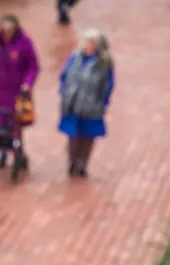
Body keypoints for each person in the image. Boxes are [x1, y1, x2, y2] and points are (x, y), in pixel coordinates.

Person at [0, 14, 40, 169]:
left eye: (10, 30)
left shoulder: (24, 42)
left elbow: (34, 66)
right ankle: (3, 152)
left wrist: (27, 84)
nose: (7, 33)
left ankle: (18, 151)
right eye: (5, 30)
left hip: (18, 91)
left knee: (15, 123)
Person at [58, 28, 115, 177]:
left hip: (92, 105)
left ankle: (83, 163)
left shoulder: (104, 62)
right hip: (73, 102)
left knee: (88, 136)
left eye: (90, 43)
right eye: (86, 42)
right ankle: (72, 162)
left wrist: (102, 102)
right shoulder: (74, 57)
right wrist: (64, 92)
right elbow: (64, 75)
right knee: (73, 135)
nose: (87, 45)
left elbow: (107, 85)